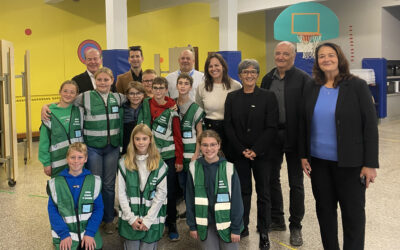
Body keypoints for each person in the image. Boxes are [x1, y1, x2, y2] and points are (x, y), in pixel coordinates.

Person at [299, 42, 378, 250]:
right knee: (325, 212)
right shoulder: (311, 86)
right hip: (319, 163)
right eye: (322, 56)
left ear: (339, 58)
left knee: (353, 215)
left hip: (350, 163)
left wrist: (370, 163)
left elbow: (370, 126)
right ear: (317, 61)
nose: (326, 59)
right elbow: (303, 122)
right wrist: (303, 154)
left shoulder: (357, 86)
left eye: (331, 55)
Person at [42, 67, 126, 234]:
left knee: (109, 185)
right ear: (95, 81)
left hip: (112, 148)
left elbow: (137, 96)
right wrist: (46, 106)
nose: (102, 82)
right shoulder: (84, 97)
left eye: (106, 80)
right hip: (93, 148)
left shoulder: (118, 98)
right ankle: (90, 219)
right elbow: (65, 100)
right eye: (99, 79)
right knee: (93, 183)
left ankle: (108, 219)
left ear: (112, 81)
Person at [260, 41, 311, 246]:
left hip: (295, 137)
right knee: (272, 179)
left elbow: (308, 115)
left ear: (294, 56)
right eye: (278, 53)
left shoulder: (304, 80)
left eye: (285, 54)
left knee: (295, 183)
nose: (281, 57)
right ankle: (277, 219)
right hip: (272, 136)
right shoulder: (267, 78)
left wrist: (306, 146)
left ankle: (295, 226)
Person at [224, 59, 278, 250]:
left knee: (263, 192)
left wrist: (256, 149)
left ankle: (264, 230)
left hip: (262, 154)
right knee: (243, 191)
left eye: (253, 72)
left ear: (257, 74)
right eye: (245, 72)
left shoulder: (268, 96)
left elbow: (272, 126)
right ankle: (242, 226)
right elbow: (228, 126)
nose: (249, 75)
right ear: (239, 76)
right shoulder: (232, 97)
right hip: (239, 154)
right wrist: (241, 149)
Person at [137, 76, 184, 241]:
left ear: (166, 89)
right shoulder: (146, 104)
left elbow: (177, 134)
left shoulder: (172, 107)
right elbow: (140, 128)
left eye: (161, 88)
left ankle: (171, 223)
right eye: (155, 87)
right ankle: (153, 222)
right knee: (149, 190)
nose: (158, 91)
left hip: (169, 155)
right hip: (149, 155)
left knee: (169, 192)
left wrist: (179, 158)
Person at [186, 130, 244, 250]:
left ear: (219, 145)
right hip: (205, 225)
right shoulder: (193, 168)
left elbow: (237, 201)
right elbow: (189, 199)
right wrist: (192, 226)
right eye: (205, 145)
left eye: (213, 144)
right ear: (200, 146)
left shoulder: (229, 168)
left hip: (227, 224)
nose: (209, 148)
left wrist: (236, 228)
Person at [118, 124, 168, 250]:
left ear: (150, 140)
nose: (141, 142)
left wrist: (148, 220)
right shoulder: (124, 163)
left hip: (152, 220)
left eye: (144, 138)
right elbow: (120, 193)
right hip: (131, 219)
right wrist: (131, 219)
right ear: (132, 140)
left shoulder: (160, 165)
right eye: (137, 139)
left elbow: (161, 195)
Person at [47, 142, 104, 250]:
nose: (76, 161)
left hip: (87, 232)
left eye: (80, 157)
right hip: (65, 234)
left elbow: (99, 209)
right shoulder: (56, 183)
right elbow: (52, 211)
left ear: (86, 159)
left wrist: (90, 233)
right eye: (72, 157)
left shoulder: (93, 181)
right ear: (67, 159)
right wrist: (64, 234)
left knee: (96, 247)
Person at [195, 53, 241, 160]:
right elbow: (199, 111)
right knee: (212, 161)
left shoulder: (235, 86)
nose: (213, 68)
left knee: (229, 162)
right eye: (210, 66)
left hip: (230, 129)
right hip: (210, 129)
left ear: (223, 67)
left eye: (217, 65)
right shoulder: (202, 87)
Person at [39, 80, 84, 177]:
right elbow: (44, 141)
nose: (68, 94)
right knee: (60, 189)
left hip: (78, 163)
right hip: (58, 163)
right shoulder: (49, 113)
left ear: (77, 95)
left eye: (72, 92)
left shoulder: (79, 111)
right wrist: (46, 163)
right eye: (65, 91)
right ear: (60, 92)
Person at [175, 73, 205, 199]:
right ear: (176, 86)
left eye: (186, 83)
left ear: (191, 87)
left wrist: (197, 153)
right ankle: (188, 209)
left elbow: (200, 133)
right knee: (181, 184)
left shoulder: (196, 108)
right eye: (180, 83)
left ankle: (193, 213)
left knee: (192, 184)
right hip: (177, 153)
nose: (183, 86)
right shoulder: (171, 105)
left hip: (191, 152)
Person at [122, 81, 146, 155]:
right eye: (132, 93)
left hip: (144, 147)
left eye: (138, 93)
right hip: (126, 147)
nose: (135, 96)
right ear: (127, 95)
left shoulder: (147, 107)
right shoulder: (122, 109)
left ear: (143, 95)